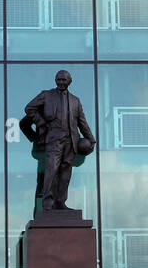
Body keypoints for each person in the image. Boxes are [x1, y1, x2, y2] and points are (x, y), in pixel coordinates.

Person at [22, 69, 95, 212]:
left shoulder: (75, 101)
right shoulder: (46, 95)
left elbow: (82, 122)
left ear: (69, 81)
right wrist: (41, 123)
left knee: (65, 172)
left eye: (64, 80)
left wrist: (91, 139)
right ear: (55, 81)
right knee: (52, 170)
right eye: (59, 79)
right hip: (54, 139)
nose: (61, 82)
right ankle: (48, 204)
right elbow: (29, 108)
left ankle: (60, 202)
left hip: (70, 140)